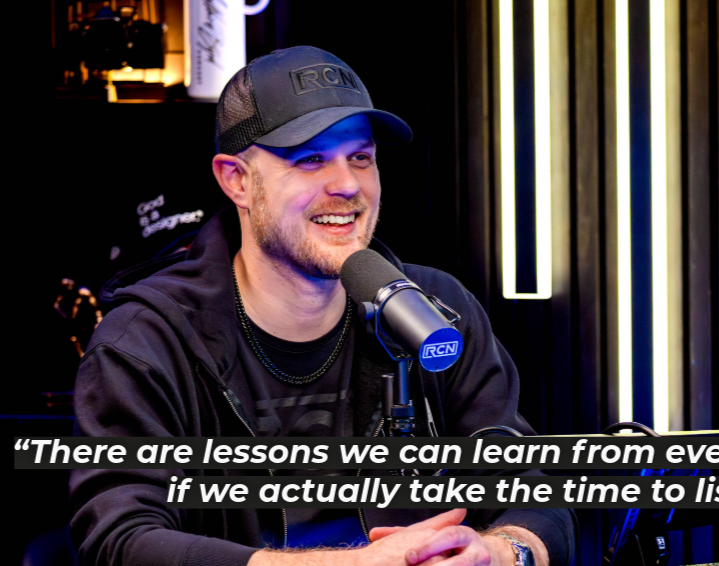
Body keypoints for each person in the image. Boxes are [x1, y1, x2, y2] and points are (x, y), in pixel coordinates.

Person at [69, 46, 577, 566]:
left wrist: (500, 551)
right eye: (310, 159)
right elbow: (121, 541)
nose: (347, 185)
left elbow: (535, 491)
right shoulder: (146, 341)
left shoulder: (436, 309)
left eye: (361, 157)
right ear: (236, 180)